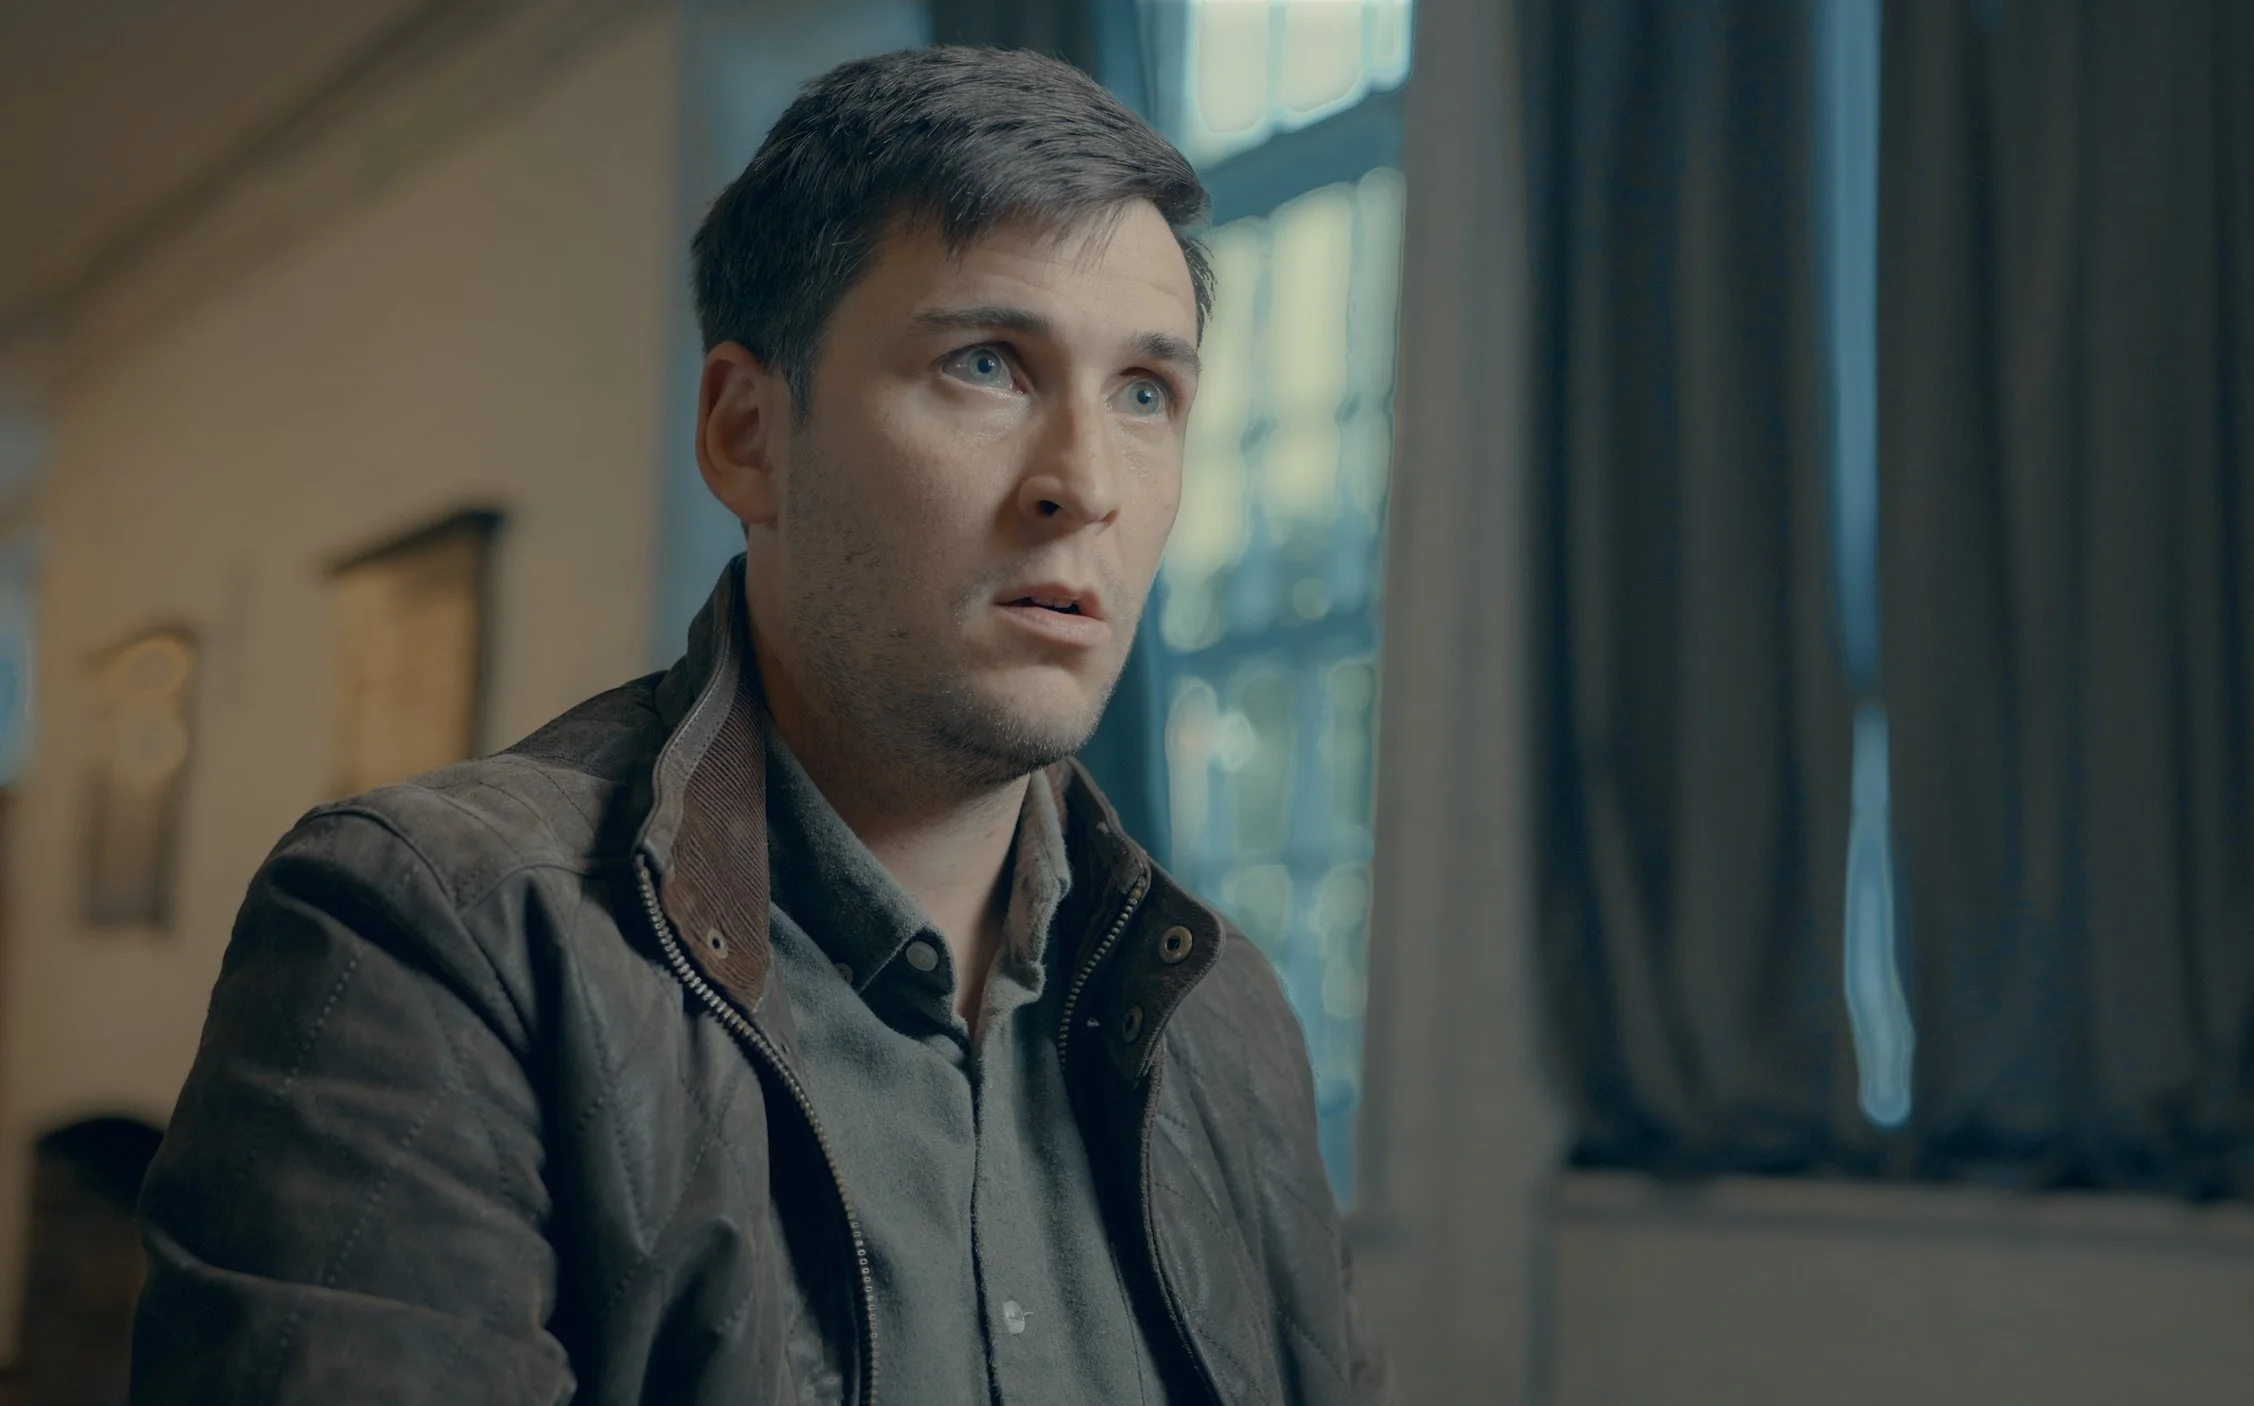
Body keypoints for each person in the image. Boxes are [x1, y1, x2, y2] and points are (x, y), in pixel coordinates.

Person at [131, 45, 1385, 1406]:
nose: (1086, 483)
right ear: (745, 432)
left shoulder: (1227, 1018)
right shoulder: (436, 938)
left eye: (1147, 392)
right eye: (985, 363)